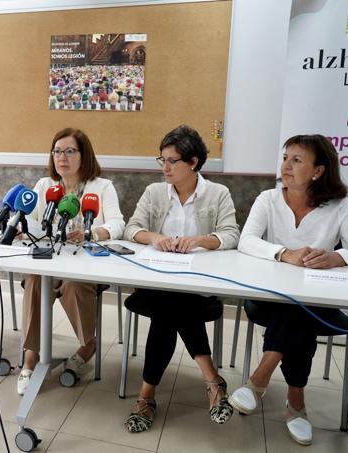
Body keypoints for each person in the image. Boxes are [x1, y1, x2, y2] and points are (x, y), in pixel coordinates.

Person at [228, 134, 348, 446]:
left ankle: (260, 379)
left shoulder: (337, 207)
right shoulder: (268, 199)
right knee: (295, 313)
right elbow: (246, 241)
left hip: (315, 300)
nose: (286, 165)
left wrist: (337, 257)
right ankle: (296, 403)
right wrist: (285, 254)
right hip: (271, 299)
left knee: (300, 311)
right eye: (286, 157)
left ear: (318, 171)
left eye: (296, 160)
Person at [122, 125, 239, 432]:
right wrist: (156, 237)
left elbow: (231, 235)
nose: (165, 167)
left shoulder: (217, 193)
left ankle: (146, 396)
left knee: (169, 309)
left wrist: (199, 240)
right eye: (161, 160)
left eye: (172, 161)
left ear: (194, 163)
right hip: (156, 283)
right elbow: (131, 229)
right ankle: (212, 381)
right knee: (171, 303)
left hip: (198, 288)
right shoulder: (154, 192)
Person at [17, 127, 125, 395]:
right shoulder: (45, 187)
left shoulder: (101, 187)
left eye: (69, 151)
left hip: (83, 264)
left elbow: (117, 224)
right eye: (56, 151)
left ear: (83, 155)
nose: (61, 157)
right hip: (49, 262)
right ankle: (30, 359)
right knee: (35, 281)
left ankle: (88, 344)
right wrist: (23, 227)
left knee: (74, 285)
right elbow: (33, 221)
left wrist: (91, 232)